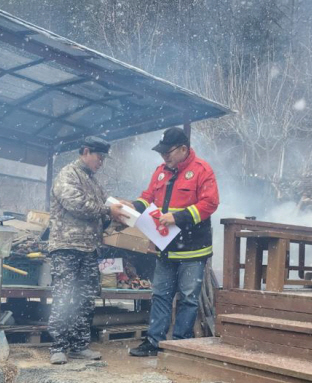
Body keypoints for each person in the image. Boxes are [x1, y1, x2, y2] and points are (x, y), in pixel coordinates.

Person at [128, 127, 219, 357]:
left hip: (192, 249)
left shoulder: (202, 170)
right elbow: (148, 197)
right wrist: (132, 206)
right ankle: (154, 341)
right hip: (165, 246)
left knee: (188, 298)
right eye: (161, 153)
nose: (164, 157)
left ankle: (180, 345)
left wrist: (177, 218)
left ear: (183, 149)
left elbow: (210, 203)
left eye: (168, 152)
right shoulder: (160, 172)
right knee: (160, 295)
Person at [47, 136, 127, 364]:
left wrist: (120, 214)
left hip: (90, 249)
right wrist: (108, 210)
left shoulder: (93, 183)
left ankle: (79, 345)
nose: (101, 162)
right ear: (85, 151)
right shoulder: (67, 175)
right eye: (98, 157)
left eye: (103, 158)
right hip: (66, 247)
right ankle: (58, 346)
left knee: (85, 298)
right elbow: (78, 205)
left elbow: (104, 212)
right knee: (65, 295)